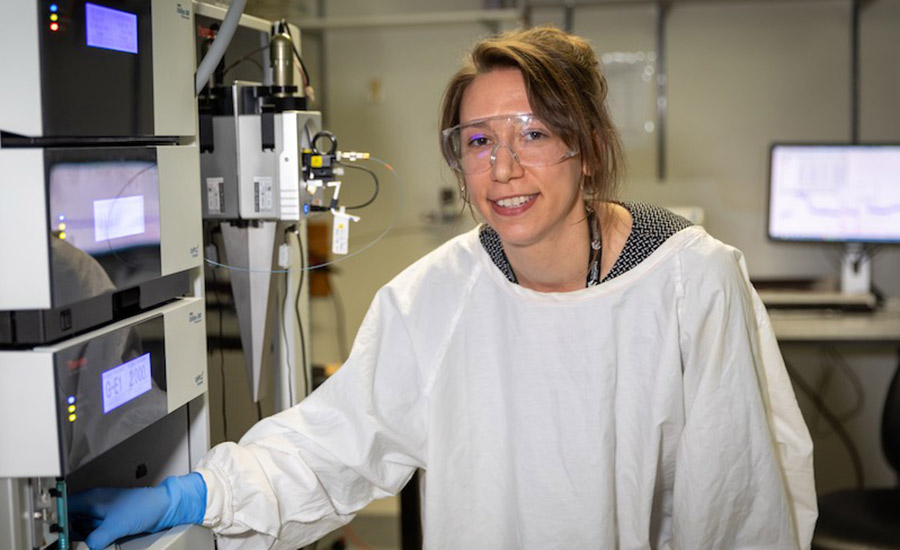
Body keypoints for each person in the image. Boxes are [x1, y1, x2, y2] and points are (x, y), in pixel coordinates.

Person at [70, 26, 817, 549]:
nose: (503, 168)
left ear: (587, 147)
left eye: (533, 132)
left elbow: (738, 507)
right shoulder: (435, 295)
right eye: (479, 141)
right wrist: (190, 495)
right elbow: (334, 444)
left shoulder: (689, 280)